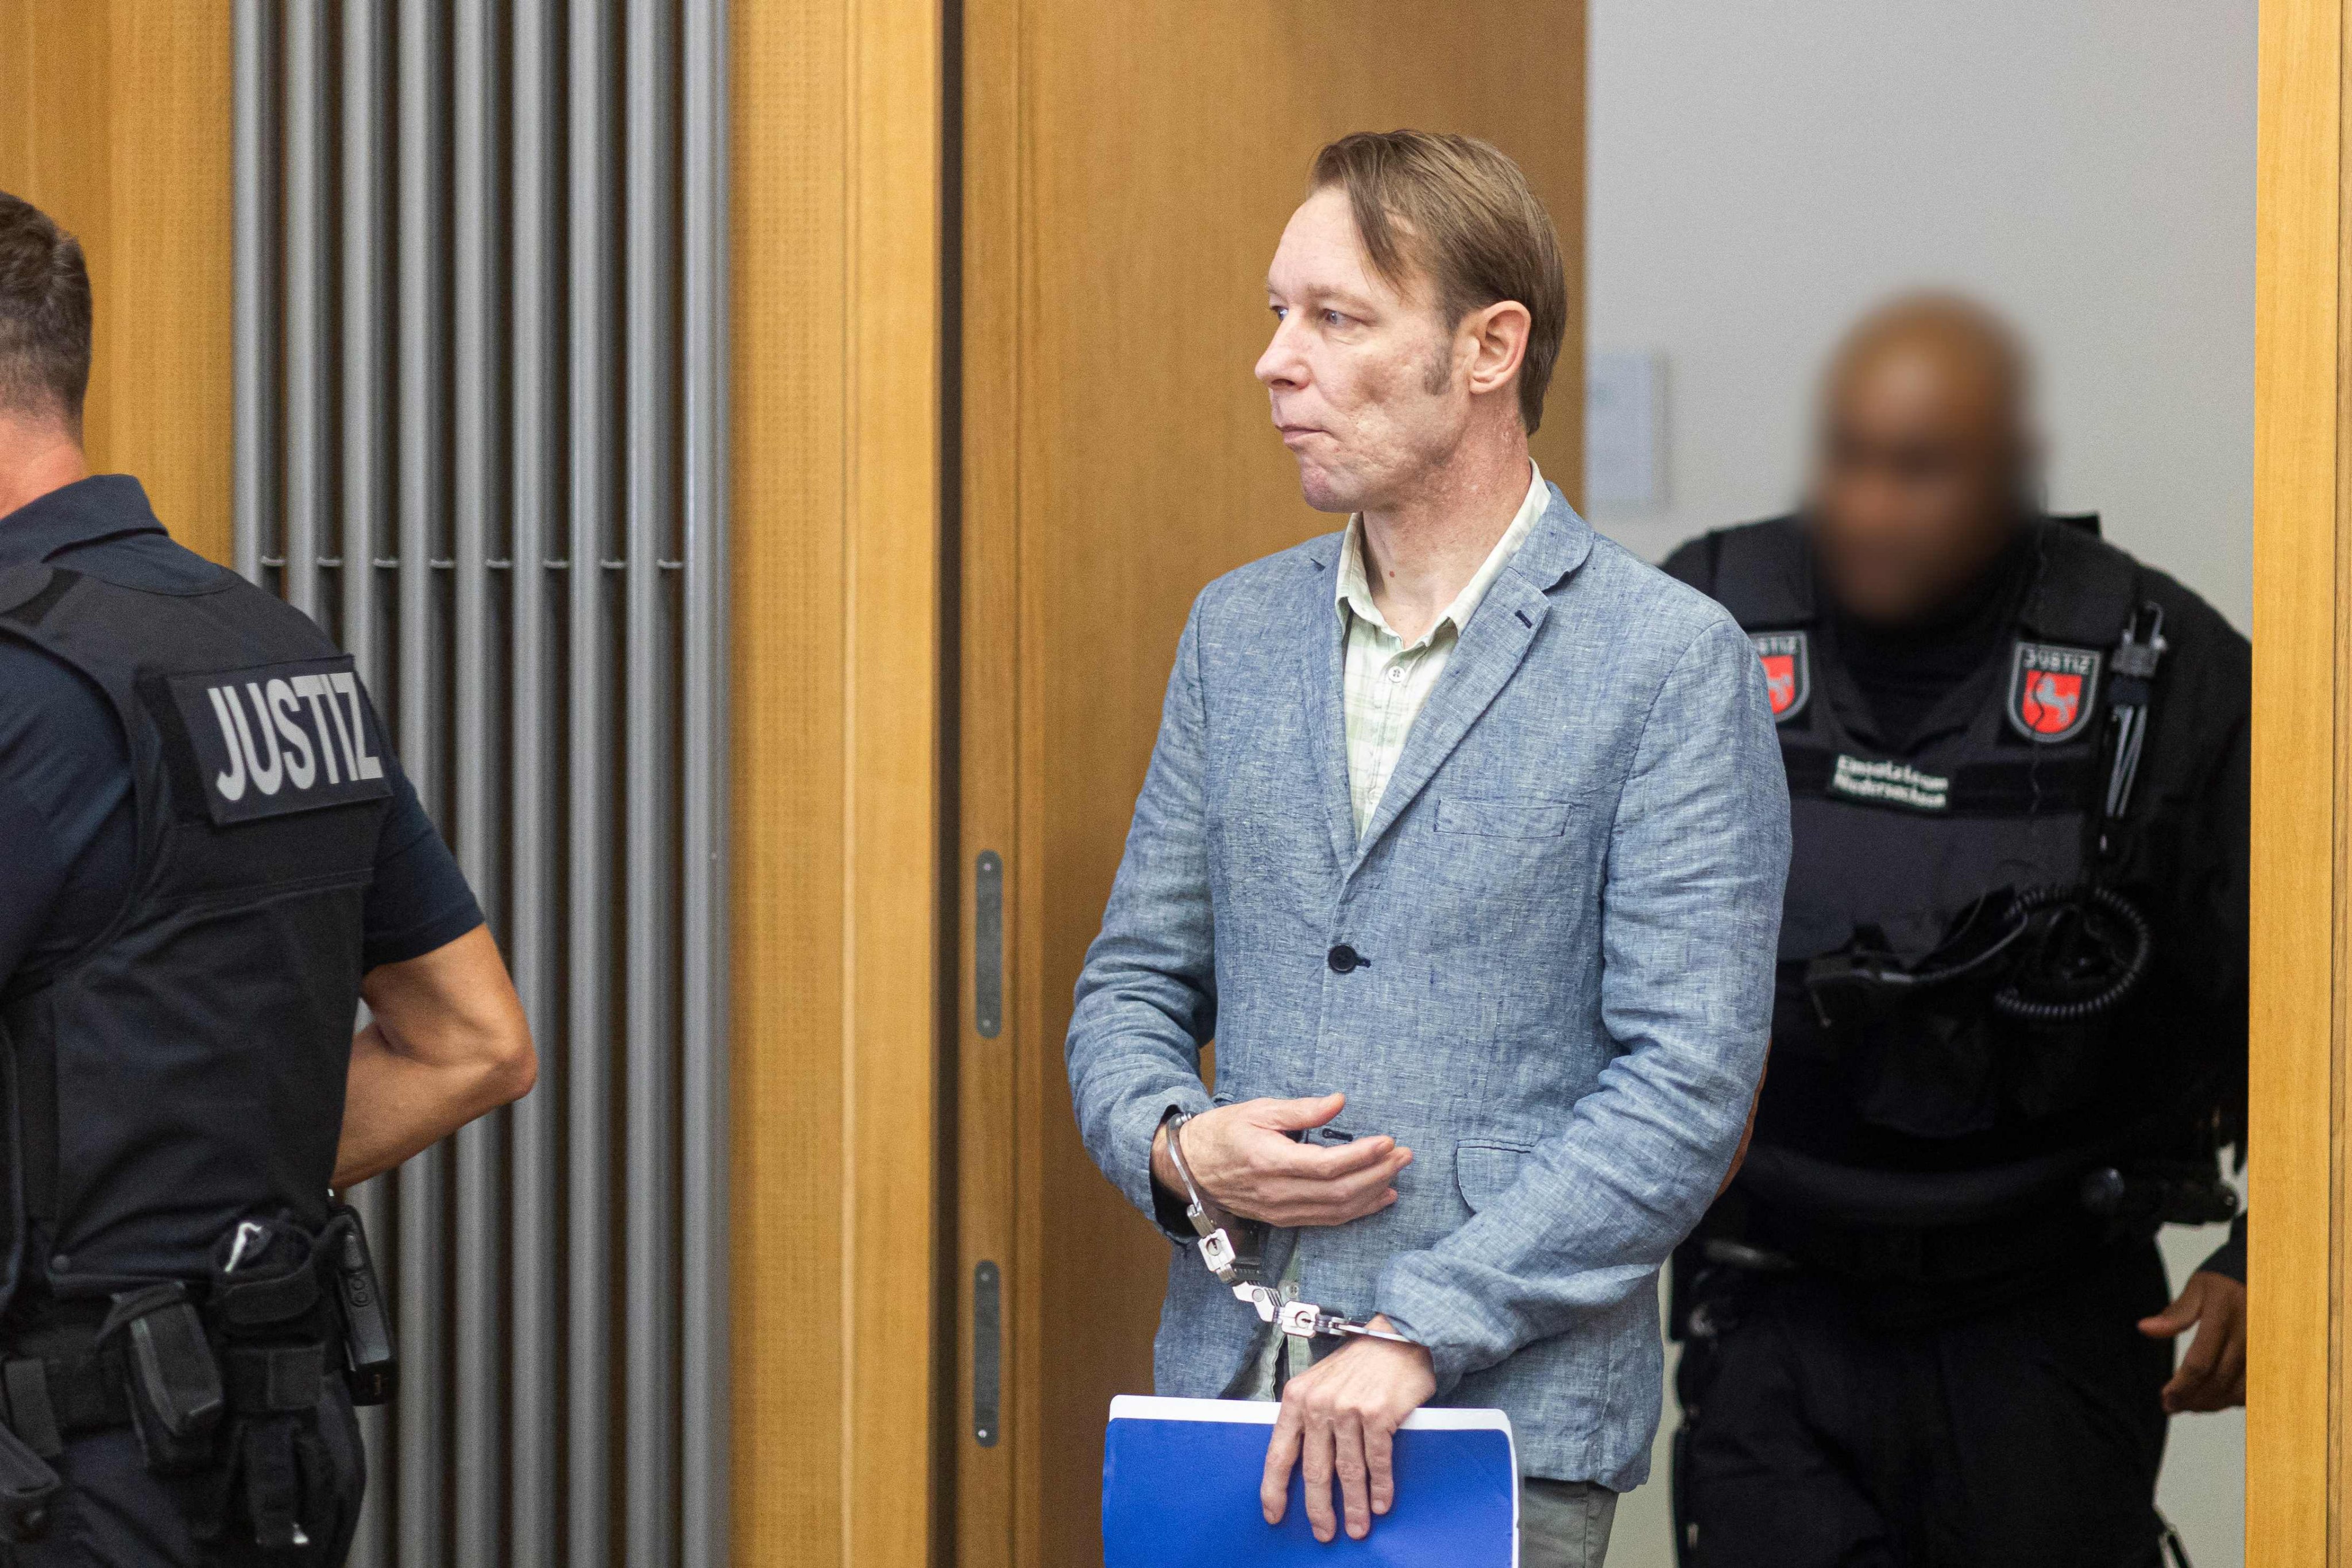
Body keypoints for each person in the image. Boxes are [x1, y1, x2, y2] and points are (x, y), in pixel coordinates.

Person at [1064, 131, 1790, 1568]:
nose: (1277, 361)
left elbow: (1687, 1086)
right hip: (1229, 1401)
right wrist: (1172, 1143)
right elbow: (1130, 983)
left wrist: (1419, 1328)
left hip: (1487, 1424)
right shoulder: (1234, 632)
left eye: (1335, 319)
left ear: (1487, 349)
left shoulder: (1666, 661)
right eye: (1278, 314)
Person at [1662, 295, 2247, 1568]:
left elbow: (2307, 988)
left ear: (2012, 475)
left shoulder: (2159, 666)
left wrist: (2273, 1258)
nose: (1869, 506)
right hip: (1772, 1298)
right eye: (1847, 458)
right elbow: (1544, 941)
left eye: (1918, 469)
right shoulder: (1700, 624)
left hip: (2043, 1308)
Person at [0, 191, 535, 1563]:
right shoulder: (265, 642)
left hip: (52, 1468)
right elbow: (470, 1039)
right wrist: (191, 1228)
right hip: (263, 1444)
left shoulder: (21, 682)